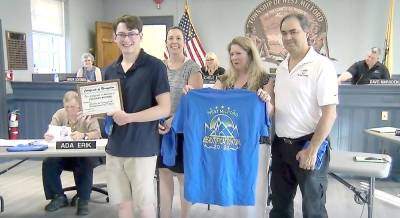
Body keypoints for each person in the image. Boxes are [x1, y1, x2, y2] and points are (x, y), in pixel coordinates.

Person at [269, 14, 338, 218]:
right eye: (284, 33)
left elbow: (330, 113)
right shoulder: (281, 67)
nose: (288, 37)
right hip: (281, 147)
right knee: (279, 208)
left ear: (307, 33)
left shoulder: (322, 65)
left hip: (309, 145)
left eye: (293, 31)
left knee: (313, 210)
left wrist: (313, 149)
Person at [102, 15, 170, 218]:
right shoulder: (108, 71)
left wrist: (129, 117)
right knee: (122, 205)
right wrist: (93, 112)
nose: (127, 39)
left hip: (142, 147)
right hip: (115, 147)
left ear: (140, 36)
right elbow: (107, 106)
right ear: (114, 37)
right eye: (121, 34)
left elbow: (164, 108)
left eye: (132, 34)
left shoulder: (155, 66)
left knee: (144, 206)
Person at [211, 36, 272, 217]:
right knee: (230, 181)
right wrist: (192, 93)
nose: (234, 57)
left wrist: (266, 101)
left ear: (250, 54)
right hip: (229, 140)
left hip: (256, 142)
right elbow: (210, 100)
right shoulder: (225, 79)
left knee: (254, 184)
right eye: (231, 54)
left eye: (239, 53)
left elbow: (270, 111)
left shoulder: (264, 79)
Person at [157, 26, 203, 218]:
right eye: (170, 38)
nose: (174, 41)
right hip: (160, 129)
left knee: (183, 178)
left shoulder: (192, 67)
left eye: (178, 38)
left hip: (182, 130)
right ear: (166, 42)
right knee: (164, 176)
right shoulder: (159, 67)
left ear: (184, 42)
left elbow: (196, 101)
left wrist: (173, 120)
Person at [42, 90, 101, 216]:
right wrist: (48, 135)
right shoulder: (60, 114)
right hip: (65, 153)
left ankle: (83, 200)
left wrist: (83, 135)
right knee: (49, 161)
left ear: (79, 106)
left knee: (84, 161)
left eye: (73, 107)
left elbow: (97, 134)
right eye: (67, 107)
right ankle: (58, 197)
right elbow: (51, 130)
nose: (69, 110)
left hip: (86, 154)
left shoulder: (87, 115)